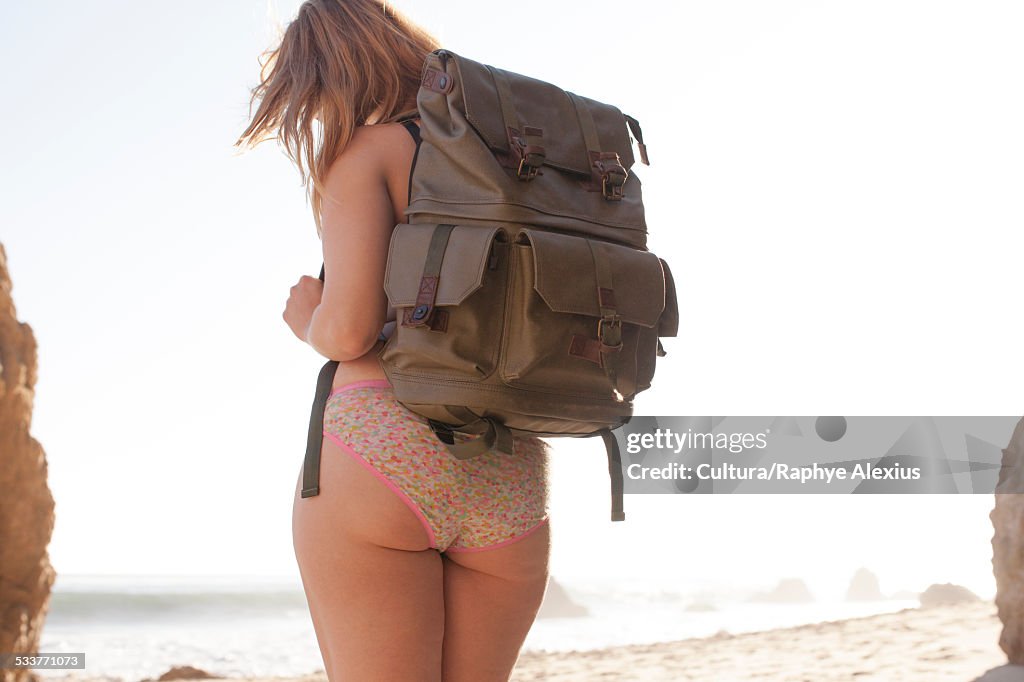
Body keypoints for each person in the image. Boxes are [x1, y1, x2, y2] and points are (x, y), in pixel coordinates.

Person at [235, 1, 552, 680]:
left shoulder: (369, 150)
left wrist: (306, 319)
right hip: (509, 458)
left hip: (386, 449)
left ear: (326, 75)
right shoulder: (516, 158)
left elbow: (348, 332)